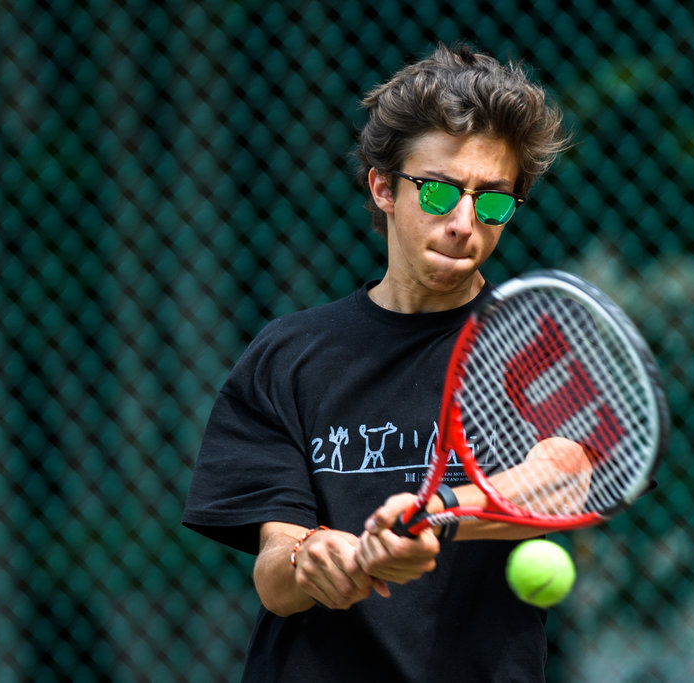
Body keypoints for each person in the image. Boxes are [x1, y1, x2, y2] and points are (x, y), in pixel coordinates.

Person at [183, 42, 569, 682]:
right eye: (440, 192)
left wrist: (437, 512)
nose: (465, 222)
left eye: (493, 200)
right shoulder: (289, 356)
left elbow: (564, 481)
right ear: (384, 187)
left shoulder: (535, 344)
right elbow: (275, 578)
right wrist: (311, 559)